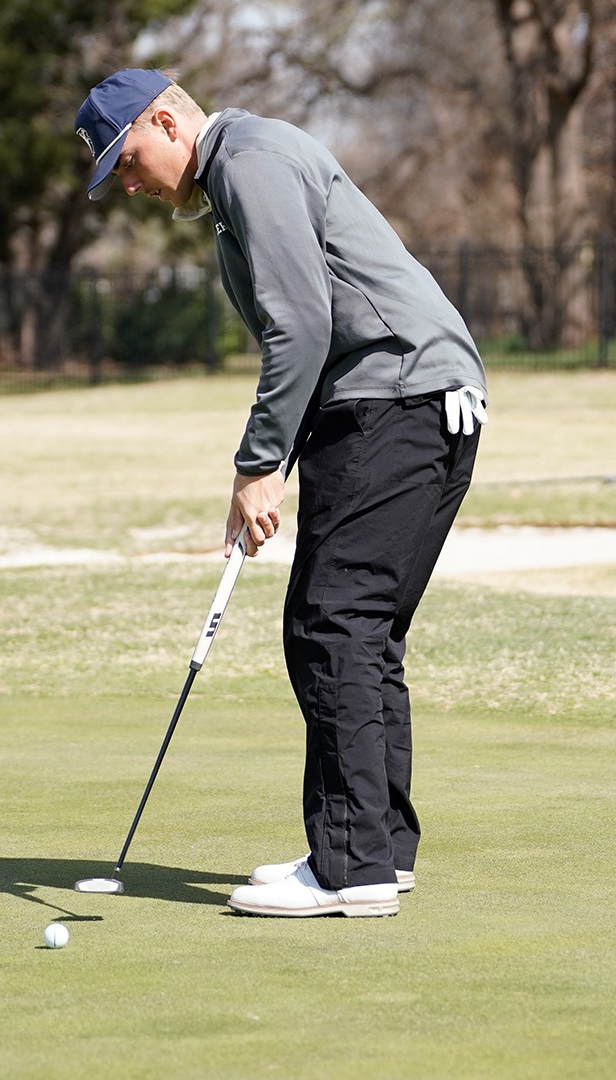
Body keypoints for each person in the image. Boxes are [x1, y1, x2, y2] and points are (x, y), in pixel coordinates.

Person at [76, 70, 488, 918]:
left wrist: (259, 462)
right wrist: (270, 467)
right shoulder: (246, 166)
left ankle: (350, 869)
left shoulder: (247, 160)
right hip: (418, 399)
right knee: (363, 631)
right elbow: (314, 326)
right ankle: (377, 849)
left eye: (129, 160)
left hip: (392, 398)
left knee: (332, 623)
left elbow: (300, 323)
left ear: (166, 121)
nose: (130, 185)